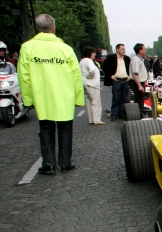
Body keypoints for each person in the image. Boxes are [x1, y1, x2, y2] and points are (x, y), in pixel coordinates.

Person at [18, 14, 84, 175]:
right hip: (64, 95)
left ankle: (48, 164)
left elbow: (24, 76)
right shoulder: (66, 49)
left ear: (37, 29)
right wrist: (78, 98)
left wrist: (28, 99)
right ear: (54, 28)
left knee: (46, 129)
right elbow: (76, 76)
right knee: (65, 130)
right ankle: (65, 163)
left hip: (42, 96)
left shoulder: (27, 48)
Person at [102, 43, 131, 121]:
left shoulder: (127, 58)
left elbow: (130, 68)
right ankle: (114, 115)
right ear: (117, 49)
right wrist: (111, 75)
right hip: (117, 80)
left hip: (125, 80)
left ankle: (121, 114)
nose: (124, 50)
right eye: (122, 49)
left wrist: (129, 76)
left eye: (124, 49)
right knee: (116, 98)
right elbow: (103, 66)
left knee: (124, 99)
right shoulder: (111, 57)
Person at [80, 46, 104, 125]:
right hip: (92, 84)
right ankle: (97, 120)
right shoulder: (89, 61)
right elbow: (92, 70)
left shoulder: (82, 61)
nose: (95, 55)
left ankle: (91, 119)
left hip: (85, 83)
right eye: (94, 53)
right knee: (96, 102)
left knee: (89, 102)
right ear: (90, 53)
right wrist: (90, 76)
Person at [129, 43, 148, 115]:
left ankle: (139, 113)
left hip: (139, 82)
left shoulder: (139, 59)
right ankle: (137, 115)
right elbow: (135, 74)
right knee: (138, 100)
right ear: (140, 50)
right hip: (137, 83)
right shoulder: (136, 60)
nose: (145, 51)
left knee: (140, 100)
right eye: (144, 49)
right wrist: (139, 85)